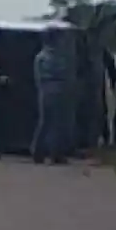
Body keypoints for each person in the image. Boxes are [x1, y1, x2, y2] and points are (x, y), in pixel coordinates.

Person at [31, 26, 74, 164]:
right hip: (57, 90)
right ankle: (56, 154)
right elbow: (67, 75)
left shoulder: (40, 57)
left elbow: (37, 77)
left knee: (45, 123)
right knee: (57, 124)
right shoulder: (58, 57)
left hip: (45, 91)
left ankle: (38, 152)